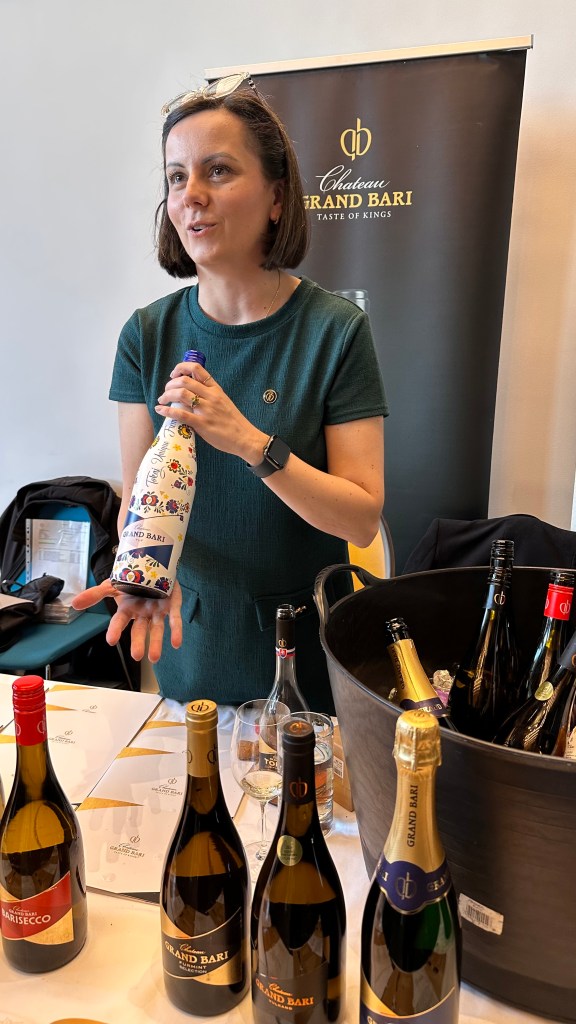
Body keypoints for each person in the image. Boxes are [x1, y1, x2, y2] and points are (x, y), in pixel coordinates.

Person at [74, 72, 388, 712]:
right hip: (192, 641)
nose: (190, 195)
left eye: (217, 171)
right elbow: (140, 498)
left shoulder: (335, 331)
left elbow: (359, 517)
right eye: (176, 177)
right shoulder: (147, 334)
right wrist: (140, 570)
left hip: (306, 656)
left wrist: (247, 440)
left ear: (276, 197)